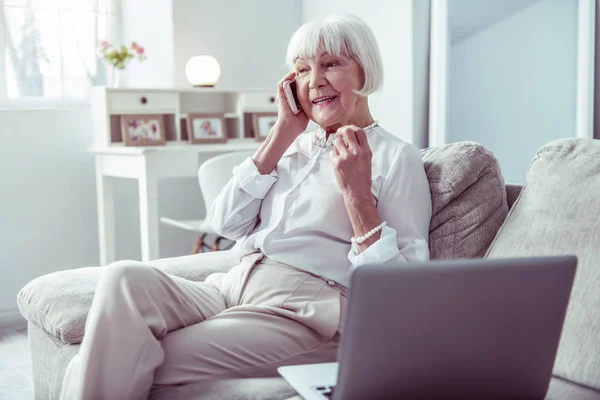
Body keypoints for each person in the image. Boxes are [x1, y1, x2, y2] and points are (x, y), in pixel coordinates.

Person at [60, 14, 432, 400]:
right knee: (124, 277)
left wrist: (356, 197)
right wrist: (283, 132)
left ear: (364, 71)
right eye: (302, 70)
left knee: (116, 357)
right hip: (230, 286)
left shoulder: (396, 157)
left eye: (332, 63)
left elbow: (402, 294)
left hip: (303, 311)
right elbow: (225, 223)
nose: (314, 79)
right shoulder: (293, 145)